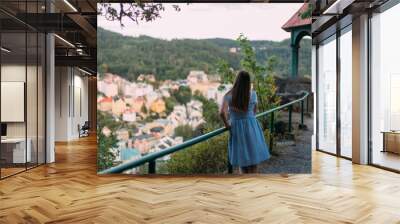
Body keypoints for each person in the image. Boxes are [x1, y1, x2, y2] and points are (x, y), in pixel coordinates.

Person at [219, 70, 270, 174]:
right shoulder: (253, 94)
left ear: (236, 81)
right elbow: (254, 111)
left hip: (237, 128)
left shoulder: (228, 96)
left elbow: (221, 113)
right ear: (248, 82)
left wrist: (227, 125)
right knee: (253, 161)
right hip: (252, 126)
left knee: (243, 162)